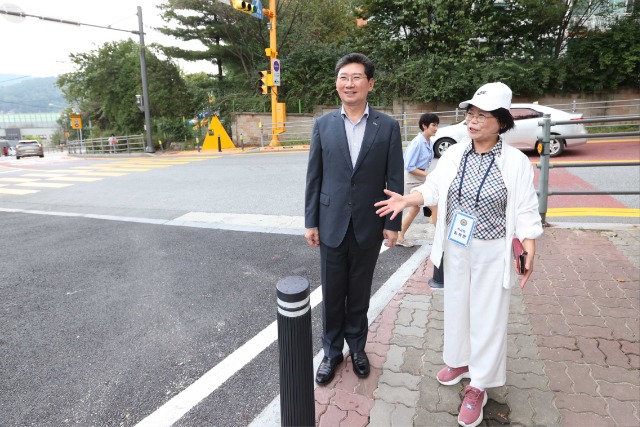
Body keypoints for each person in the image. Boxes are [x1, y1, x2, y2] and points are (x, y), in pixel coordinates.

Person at [375, 82, 542, 427]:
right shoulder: (456, 153)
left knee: (487, 314)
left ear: (501, 121)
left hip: (493, 248)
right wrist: (411, 198)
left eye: (482, 115)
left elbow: (525, 208)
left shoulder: (515, 162)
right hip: (457, 243)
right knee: (458, 306)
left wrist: (529, 242)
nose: (473, 121)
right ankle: (460, 360)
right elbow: (434, 186)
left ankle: (479, 383)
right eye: (470, 114)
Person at [305, 52, 404, 386]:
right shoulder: (323, 125)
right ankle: (331, 352)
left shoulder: (388, 126)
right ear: (337, 83)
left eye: (356, 77)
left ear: (370, 84)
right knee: (333, 292)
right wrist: (311, 221)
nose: (349, 83)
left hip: (369, 223)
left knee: (359, 290)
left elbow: (396, 179)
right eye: (343, 77)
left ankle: (357, 348)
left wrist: (393, 224)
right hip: (331, 222)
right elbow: (314, 177)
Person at [396, 113, 439, 248]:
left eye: (437, 125)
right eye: (433, 125)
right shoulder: (417, 143)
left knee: (417, 209)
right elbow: (409, 166)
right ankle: (442, 240)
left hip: (421, 178)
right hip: (412, 179)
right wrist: (428, 174)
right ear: (424, 126)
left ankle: (399, 236)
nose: (436, 128)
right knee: (433, 205)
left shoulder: (428, 142)